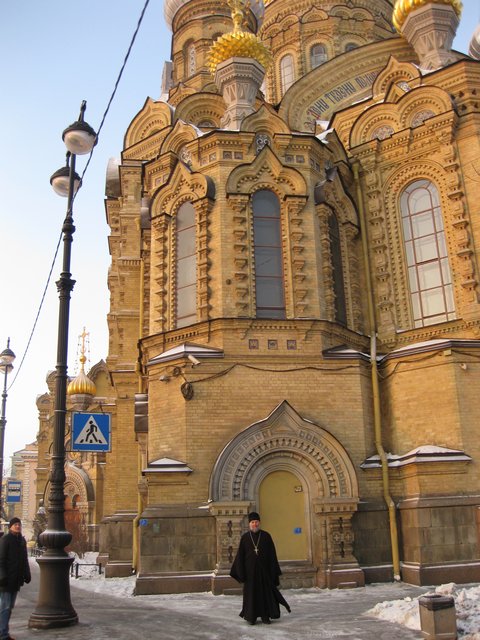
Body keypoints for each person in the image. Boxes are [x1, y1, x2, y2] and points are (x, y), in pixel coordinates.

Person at [230, 511, 290, 625]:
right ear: (249, 524)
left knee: (265, 595)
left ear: (259, 523)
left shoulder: (266, 536)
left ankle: (265, 616)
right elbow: (240, 556)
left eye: (256, 522)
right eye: (252, 522)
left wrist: (273, 572)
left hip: (264, 573)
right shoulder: (245, 538)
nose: (255, 524)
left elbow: (272, 555)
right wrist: (241, 573)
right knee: (251, 596)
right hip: (250, 574)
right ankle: (251, 617)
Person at [0, 518, 31, 640]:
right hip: (6, 580)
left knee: (9, 607)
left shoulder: (21, 541)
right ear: (10, 527)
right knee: (5, 607)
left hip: (16, 580)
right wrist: (2, 576)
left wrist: (27, 574)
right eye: (15, 525)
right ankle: (2, 634)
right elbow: (1, 560)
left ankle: (4, 632)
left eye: (19, 524)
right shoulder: (6, 539)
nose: (17, 526)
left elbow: (24, 560)